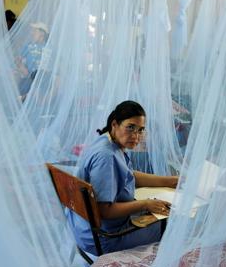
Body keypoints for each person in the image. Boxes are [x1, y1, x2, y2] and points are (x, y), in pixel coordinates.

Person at [67, 101, 178, 256]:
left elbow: (129, 175)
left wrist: (170, 181)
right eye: (130, 127)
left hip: (82, 226)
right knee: (176, 223)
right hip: (105, 238)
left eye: (140, 130)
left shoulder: (106, 141)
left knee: (161, 211)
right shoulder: (106, 156)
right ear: (115, 124)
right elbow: (104, 210)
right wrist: (146, 204)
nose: (136, 136)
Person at [16, 22, 49, 97]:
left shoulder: (49, 48)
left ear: (42, 33)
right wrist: (22, 67)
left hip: (43, 81)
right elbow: (18, 60)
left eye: (34, 31)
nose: (31, 33)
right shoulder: (28, 46)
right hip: (28, 79)